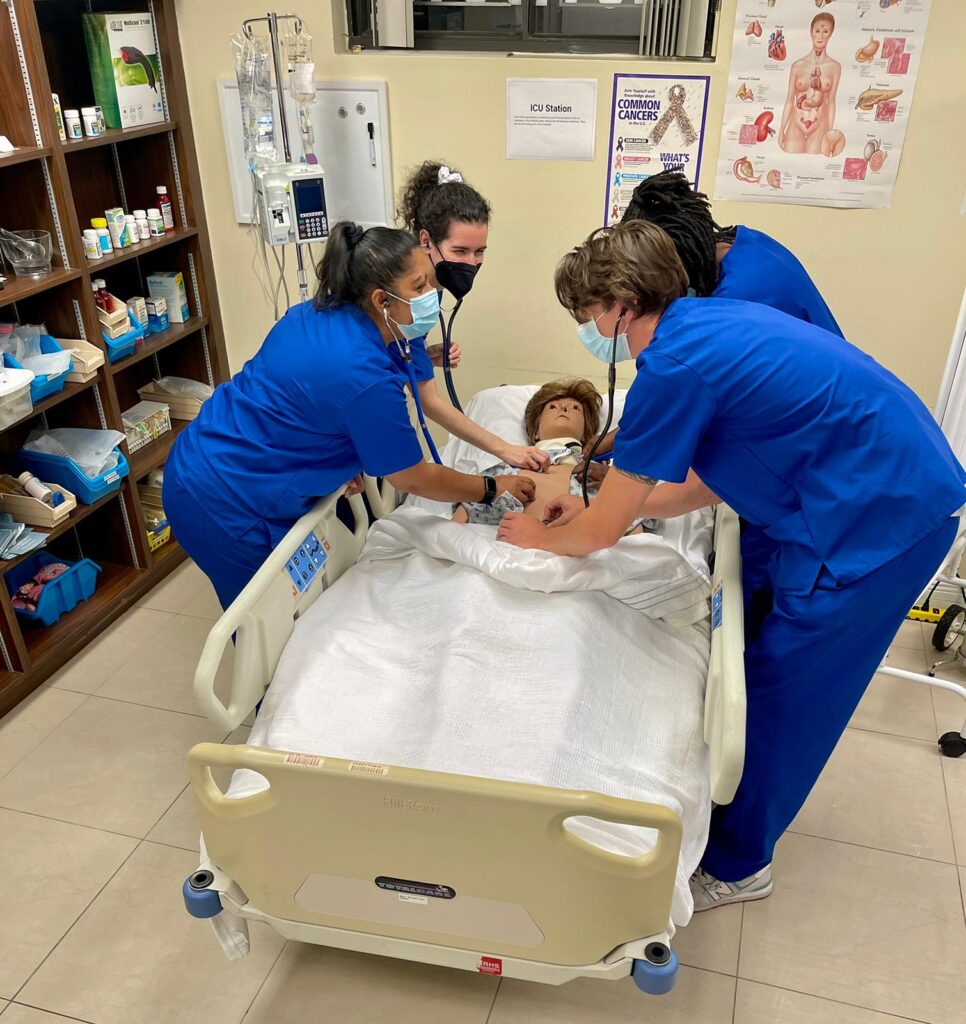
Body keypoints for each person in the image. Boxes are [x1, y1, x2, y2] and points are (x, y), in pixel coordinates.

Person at [497, 221, 966, 910]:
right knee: (771, 666)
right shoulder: (709, 322)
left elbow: (597, 533)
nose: (588, 328)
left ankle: (743, 865)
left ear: (620, 304)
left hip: (878, 515)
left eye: (587, 314)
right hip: (879, 478)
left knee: (785, 690)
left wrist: (540, 538)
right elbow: (713, 475)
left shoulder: (675, 365)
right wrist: (624, 505)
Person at [163, 222, 536, 610]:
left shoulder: (319, 314)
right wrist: (493, 487)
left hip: (214, 449)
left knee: (293, 607)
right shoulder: (362, 374)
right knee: (270, 620)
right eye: (420, 286)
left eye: (430, 283)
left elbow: (301, 406)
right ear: (381, 299)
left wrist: (346, 458)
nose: (432, 296)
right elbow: (412, 476)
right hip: (222, 497)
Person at [397, 159, 549, 472]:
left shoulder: (431, 288)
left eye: (480, 252)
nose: (471, 262)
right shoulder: (404, 291)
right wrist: (507, 450)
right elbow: (429, 402)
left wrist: (422, 356)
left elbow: (391, 345)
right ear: (426, 241)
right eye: (460, 251)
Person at [780, 12, 841, 155]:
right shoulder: (797, 65)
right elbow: (789, 101)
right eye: (817, 31)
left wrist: (830, 134)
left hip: (819, 126)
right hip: (795, 124)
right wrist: (781, 129)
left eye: (825, 31)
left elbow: (831, 102)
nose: (820, 36)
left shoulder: (835, 67)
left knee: (811, 168)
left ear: (831, 34)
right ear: (811, 32)